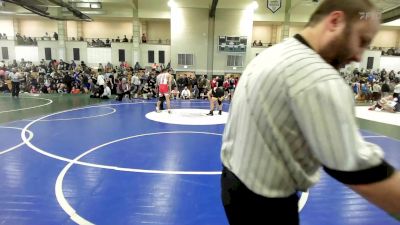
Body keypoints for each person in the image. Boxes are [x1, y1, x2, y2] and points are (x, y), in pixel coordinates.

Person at [219, 0, 400, 225]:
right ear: (335, 21)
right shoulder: (319, 78)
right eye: (361, 41)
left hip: (234, 185)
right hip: (265, 205)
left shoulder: (272, 54)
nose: (358, 56)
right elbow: (356, 169)